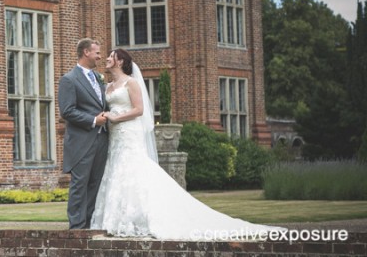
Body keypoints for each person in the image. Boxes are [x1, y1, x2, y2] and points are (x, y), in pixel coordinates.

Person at [89, 48, 284, 240]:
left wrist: (117, 117)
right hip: (114, 136)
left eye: (111, 56)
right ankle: (116, 220)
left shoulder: (131, 83)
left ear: (120, 61)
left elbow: (139, 110)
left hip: (128, 132)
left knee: (133, 169)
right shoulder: (108, 86)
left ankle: (142, 218)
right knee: (116, 170)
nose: (106, 58)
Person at [58, 38, 110, 229]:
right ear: (86, 52)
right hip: (81, 141)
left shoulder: (98, 78)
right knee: (80, 184)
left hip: (102, 139)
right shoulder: (69, 79)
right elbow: (67, 111)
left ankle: (89, 225)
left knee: (95, 183)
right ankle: (77, 228)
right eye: (97, 52)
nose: (100, 56)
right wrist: (94, 120)